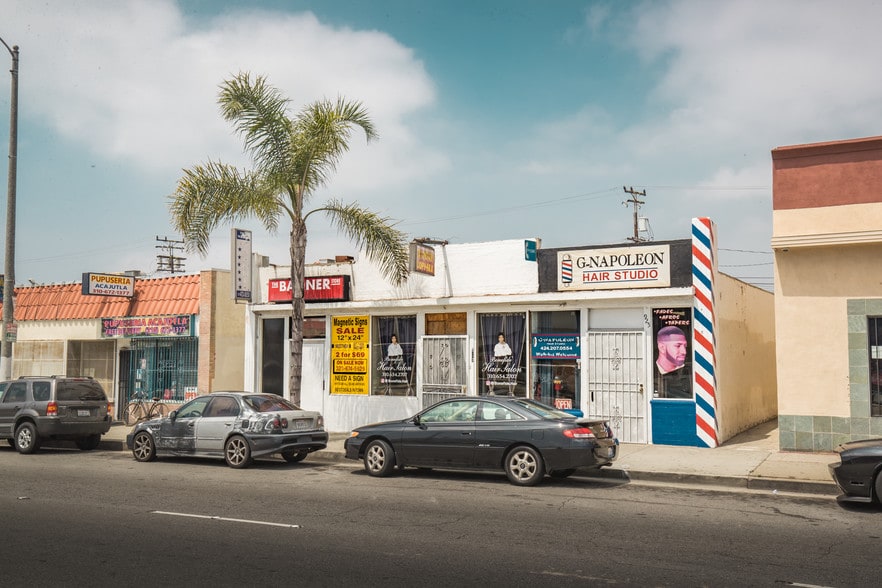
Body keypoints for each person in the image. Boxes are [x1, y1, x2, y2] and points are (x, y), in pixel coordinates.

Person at [655, 325, 691, 399]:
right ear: (662, 348)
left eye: (685, 346)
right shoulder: (650, 370)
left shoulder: (689, 371)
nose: (684, 352)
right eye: (678, 346)